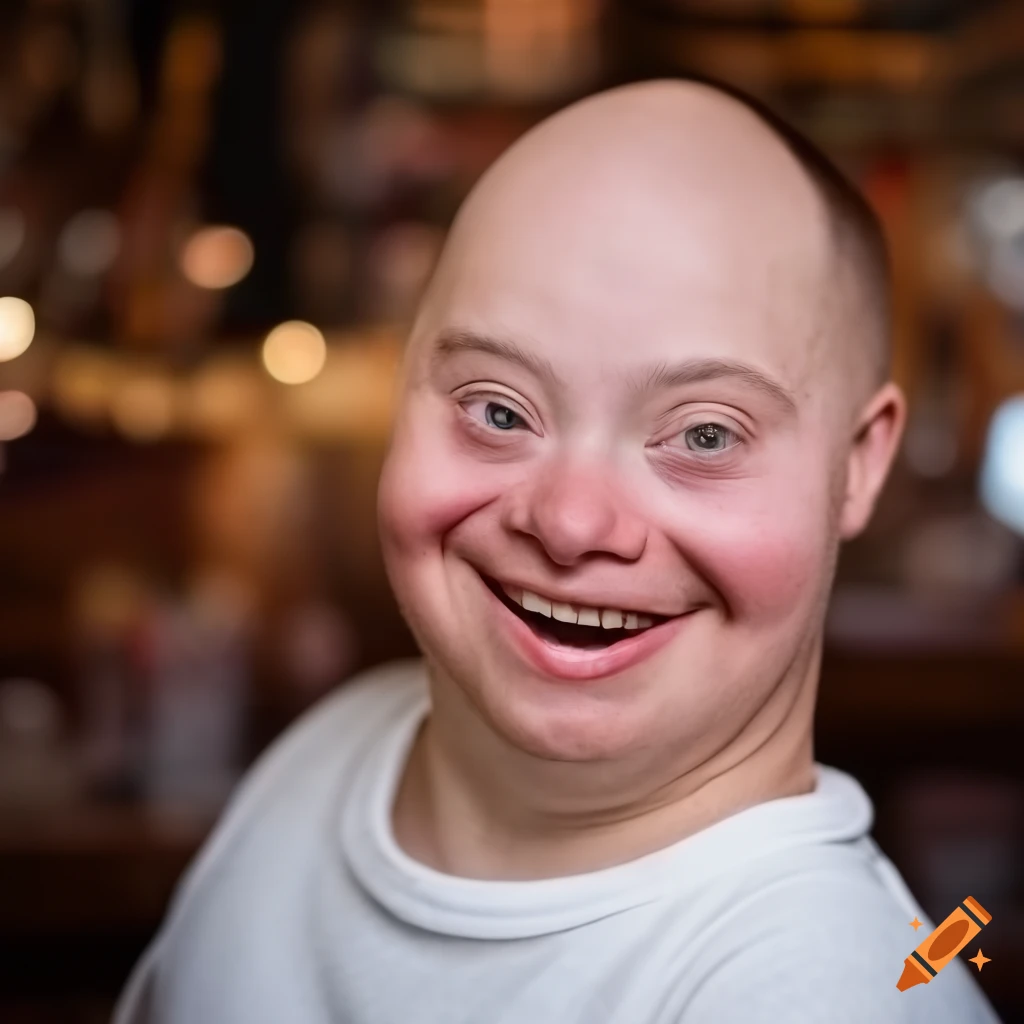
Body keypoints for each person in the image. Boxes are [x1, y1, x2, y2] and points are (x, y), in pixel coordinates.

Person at [115, 79, 1002, 1023]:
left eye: (703, 435)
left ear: (859, 465)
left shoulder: (827, 993)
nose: (573, 525)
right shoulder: (324, 754)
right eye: (499, 410)